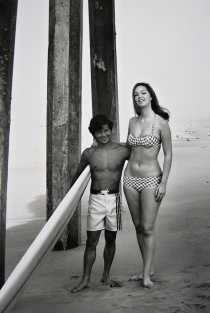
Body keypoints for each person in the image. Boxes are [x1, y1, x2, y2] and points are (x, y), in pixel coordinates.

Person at [71, 114, 130, 292]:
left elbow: (140, 162)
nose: (104, 134)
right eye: (99, 132)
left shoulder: (123, 150)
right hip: (95, 199)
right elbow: (76, 178)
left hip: (114, 199)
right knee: (91, 241)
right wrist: (69, 202)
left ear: (111, 130)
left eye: (106, 130)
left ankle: (106, 276)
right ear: (93, 134)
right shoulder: (89, 154)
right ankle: (85, 279)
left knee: (111, 239)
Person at [123, 82, 172, 288]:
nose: (139, 96)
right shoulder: (132, 121)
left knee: (147, 227)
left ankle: (146, 276)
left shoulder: (161, 123)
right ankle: (147, 267)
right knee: (137, 226)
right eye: (136, 94)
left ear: (151, 96)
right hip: (130, 179)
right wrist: (102, 147)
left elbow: (168, 154)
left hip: (152, 179)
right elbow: (127, 149)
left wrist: (163, 183)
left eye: (143, 93)